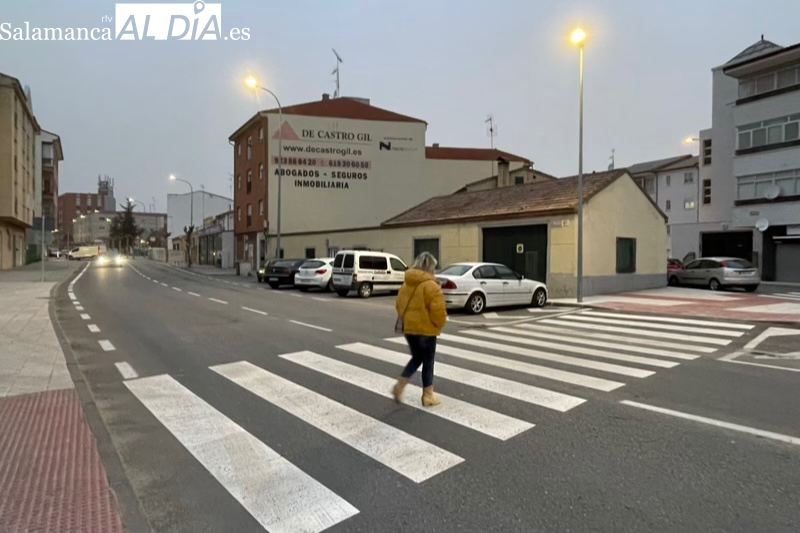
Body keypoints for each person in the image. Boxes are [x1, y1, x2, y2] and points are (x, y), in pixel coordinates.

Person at [392, 251, 448, 407]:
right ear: (430, 267)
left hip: (409, 330)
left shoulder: (406, 284)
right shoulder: (432, 286)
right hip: (426, 331)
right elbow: (438, 311)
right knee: (428, 362)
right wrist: (439, 325)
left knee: (417, 358)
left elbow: (399, 305)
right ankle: (428, 396)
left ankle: (400, 386)